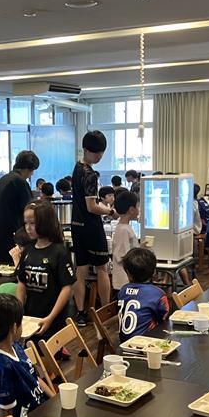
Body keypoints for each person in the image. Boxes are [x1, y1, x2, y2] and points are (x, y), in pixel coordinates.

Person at [0, 294, 54, 417]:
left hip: (44, 407)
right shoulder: (0, 367)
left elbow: (34, 378)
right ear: (14, 328)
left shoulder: (15, 345)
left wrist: (55, 398)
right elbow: (5, 413)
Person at [72, 131, 114, 327]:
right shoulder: (89, 174)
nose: (99, 156)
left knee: (80, 270)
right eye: (96, 153)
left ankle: (80, 313)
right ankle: (105, 311)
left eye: (101, 152)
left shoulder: (77, 167)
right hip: (91, 226)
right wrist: (110, 211)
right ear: (86, 150)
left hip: (76, 225)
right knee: (102, 268)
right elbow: (92, 207)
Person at [16, 203, 75, 338]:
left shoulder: (59, 252)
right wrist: (18, 311)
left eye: (32, 223)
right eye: (26, 223)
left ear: (45, 223)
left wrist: (51, 317)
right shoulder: (28, 250)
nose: (28, 228)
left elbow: (67, 288)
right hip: (31, 316)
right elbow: (22, 283)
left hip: (54, 318)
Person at [0, 150, 39, 264]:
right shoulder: (20, 182)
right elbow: (30, 210)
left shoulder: (3, 179)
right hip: (9, 233)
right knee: (12, 266)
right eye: (32, 170)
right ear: (28, 169)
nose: (32, 174)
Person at [116, 248, 169, 341]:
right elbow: (165, 319)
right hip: (146, 343)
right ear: (154, 272)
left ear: (128, 273)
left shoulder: (122, 290)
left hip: (124, 343)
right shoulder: (158, 294)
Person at [111, 190, 140, 292]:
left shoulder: (124, 227)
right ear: (131, 209)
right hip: (124, 280)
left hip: (127, 278)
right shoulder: (123, 229)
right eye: (138, 207)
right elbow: (121, 255)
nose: (139, 210)